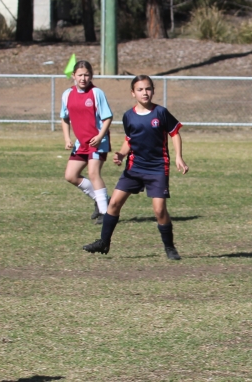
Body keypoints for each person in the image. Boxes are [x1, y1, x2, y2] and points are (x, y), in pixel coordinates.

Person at [81, 75, 188, 260]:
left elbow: (175, 133)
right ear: (133, 93)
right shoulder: (128, 116)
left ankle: (170, 248)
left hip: (157, 168)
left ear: (153, 91)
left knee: (159, 210)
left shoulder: (160, 113)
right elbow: (129, 140)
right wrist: (122, 154)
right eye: (140, 89)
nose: (144, 92)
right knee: (113, 204)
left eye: (147, 89)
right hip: (134, 167)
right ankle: (103, 242)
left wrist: (179, 156)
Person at [60, 60, 112, 224]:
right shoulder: (67, 94)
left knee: (93, 173)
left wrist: (99, 136)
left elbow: (108, 117)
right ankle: (102, 199)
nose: (83, 78)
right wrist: (67, 138)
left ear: (91, 76)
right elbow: (64, 118)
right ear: (73, 76)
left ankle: (106, 212)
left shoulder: (97, 93)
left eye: (87, 75)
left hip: (98, 141)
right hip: (80, 143)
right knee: (70, 176)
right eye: (80, 75)